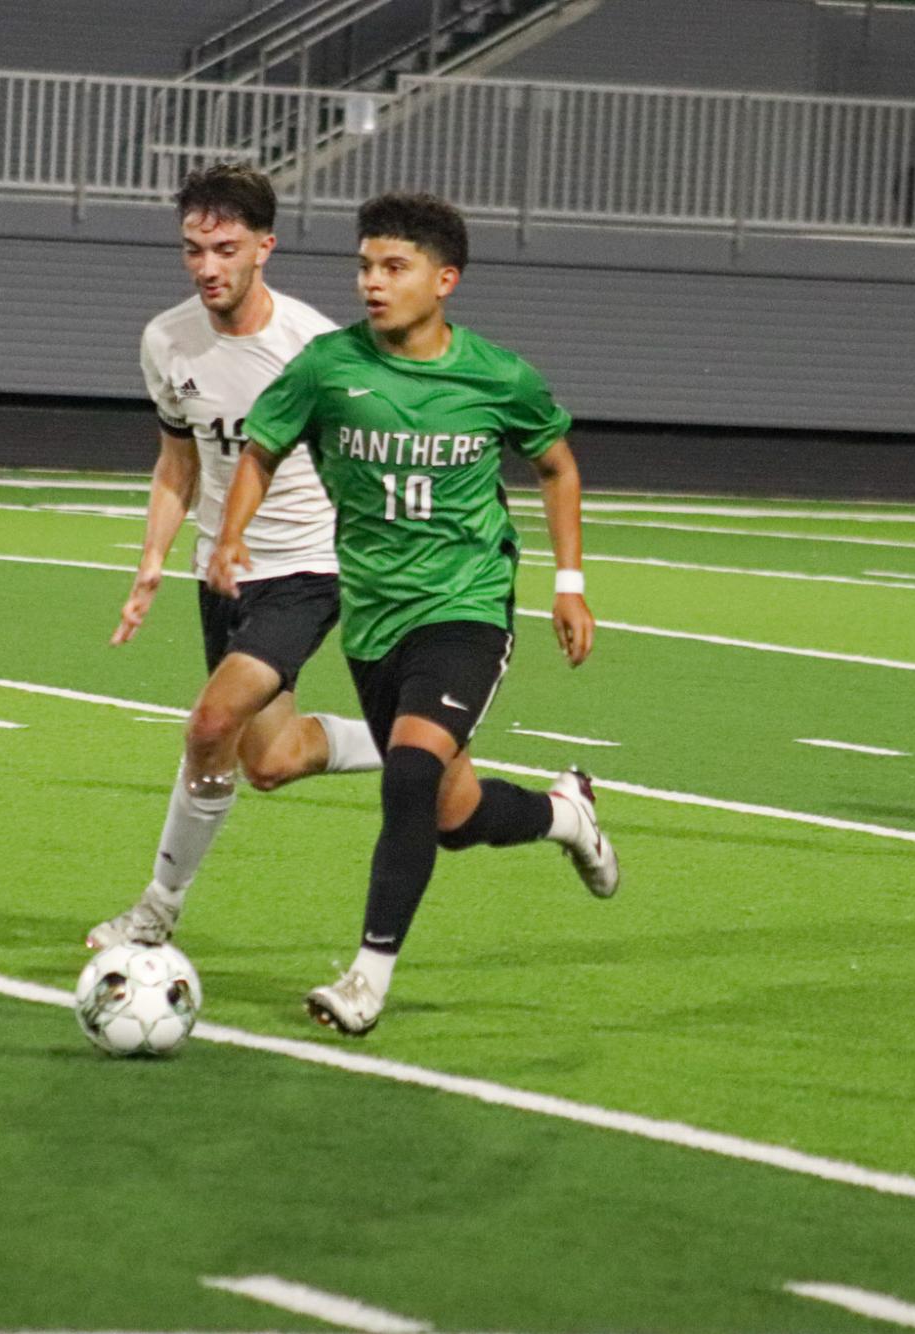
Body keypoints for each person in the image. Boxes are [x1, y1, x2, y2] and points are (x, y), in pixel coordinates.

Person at [207, 191, 619, 1035]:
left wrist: (568, 582)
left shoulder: (498, 375)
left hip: (466, 605)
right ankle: (562, 815)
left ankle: (365, 979)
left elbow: (558, 468)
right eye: (364, 265)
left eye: (393, 268)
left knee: (408, 774)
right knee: (451, 816)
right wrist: (230, 538)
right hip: (373, 618)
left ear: (444, 280)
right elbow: (261, 449)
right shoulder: (325, 366)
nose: (372, 282)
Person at [87, 164, 382, 951]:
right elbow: (177, 462)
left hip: (308, 568)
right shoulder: (165, 339)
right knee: (272, 759)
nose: (206, 267)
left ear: (264, 248)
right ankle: (417, 737)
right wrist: (150, 561)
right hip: (219, 573)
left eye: (223, 248)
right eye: (192, 250)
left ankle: (155, 911)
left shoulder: (316, 347)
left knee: (211, 723)